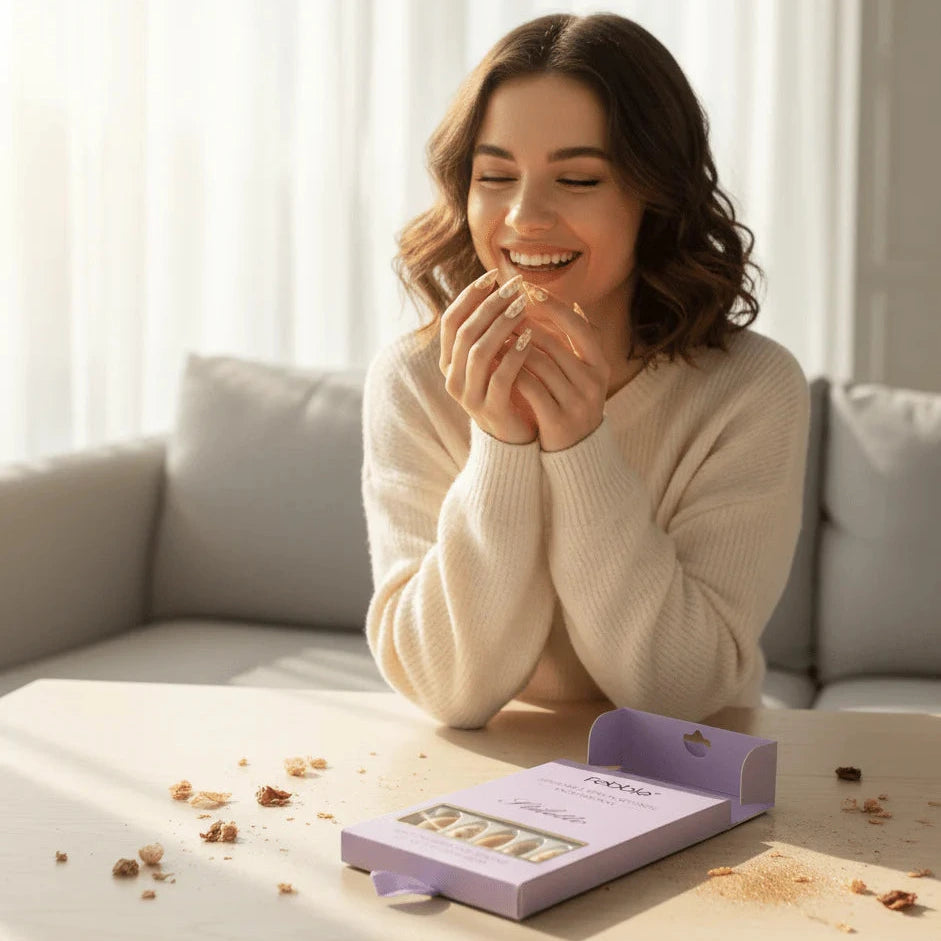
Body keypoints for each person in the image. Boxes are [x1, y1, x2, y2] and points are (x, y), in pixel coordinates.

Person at [361, 13, 810, 729]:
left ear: (653, 196)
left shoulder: (750, 389)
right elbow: (447, 690)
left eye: (576, 178)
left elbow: (677, 692)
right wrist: (501, 448)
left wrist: (579, 449)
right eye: (495, 175)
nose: (523, 217)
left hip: (691, 772)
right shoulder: (414, 380)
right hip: (473, 776)